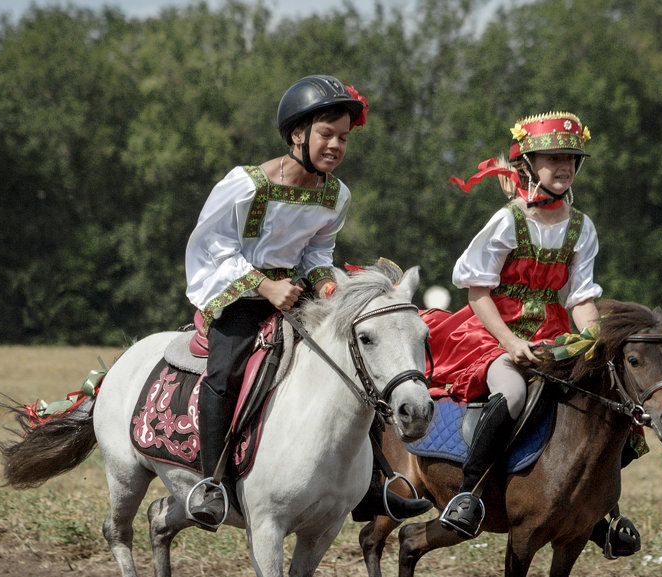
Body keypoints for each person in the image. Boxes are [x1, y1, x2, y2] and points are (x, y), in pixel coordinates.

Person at [183, 75, 429, 528]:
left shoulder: (337, 195)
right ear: (298, 134)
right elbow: (215, 246)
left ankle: (373, 486)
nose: (335, 145)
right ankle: (211, 484)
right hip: (239, 295)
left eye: (343, 138)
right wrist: (265, 286)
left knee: (359, 366)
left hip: (299, 295)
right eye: (326, 134)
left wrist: (329, 286)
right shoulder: (247, 185)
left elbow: (317, 252)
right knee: (224, 374)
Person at [427, 111, 636, 543]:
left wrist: (595, 343)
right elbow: (477, 293)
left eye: (571, 159)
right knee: (515, 392)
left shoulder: (582, 227)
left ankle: (597, 511)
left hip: (555, 333)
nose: (563, 166)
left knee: (608, 395)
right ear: (528, 164)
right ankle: (466, 495)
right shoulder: (507, 221)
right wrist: (510, 342)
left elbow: (580, 299)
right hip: (491, 332)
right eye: (552, 157)